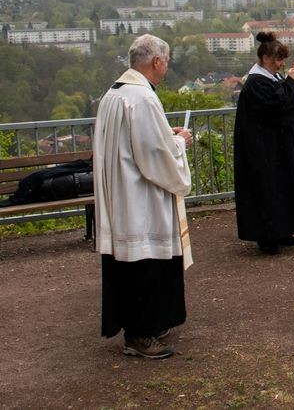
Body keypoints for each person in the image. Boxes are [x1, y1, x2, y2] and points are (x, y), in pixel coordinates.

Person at [94, 34, 193, 359]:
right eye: (166, 61)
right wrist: (179, 143)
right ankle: (140, 334)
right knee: (146, 266)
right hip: (141, 200)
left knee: (132, 268)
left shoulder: (114, 94)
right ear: (156, 61)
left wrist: (167, 135)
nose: (166, 67)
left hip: (121, 195)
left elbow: (136, 142)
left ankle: (149, 323)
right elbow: (154, 154)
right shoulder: (143, 98)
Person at [233, 32, 294, 255]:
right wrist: (291, 81)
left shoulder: (270, 78)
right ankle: (267, 237)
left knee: (282, 188)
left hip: (275, 147)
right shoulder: (255, 82)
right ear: (265, 59)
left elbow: (284, 96)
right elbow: (276, 103)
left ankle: (284, 231)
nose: (281, 64)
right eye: (278, 60)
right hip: (261, 149)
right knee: (266, 191)